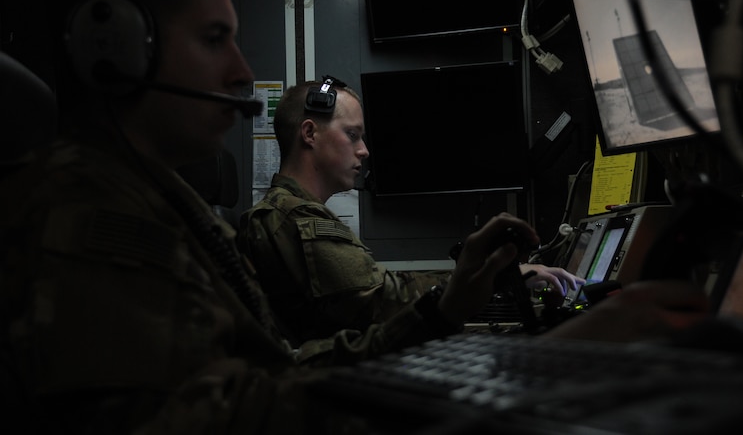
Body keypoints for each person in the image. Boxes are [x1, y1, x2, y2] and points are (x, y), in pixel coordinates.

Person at [0, 0, 716, 434]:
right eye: (214, 38)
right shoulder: (83, 213)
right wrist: (540, 365)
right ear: (119, 46)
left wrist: (452, 315)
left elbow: (280, 372)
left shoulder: (146, 198)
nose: (242, 71)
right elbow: (232, 421)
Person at [237, 78, 585, 345]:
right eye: (352, 135)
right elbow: (385, 300)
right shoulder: (294, 220)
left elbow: (376, 287)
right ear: (310, 134)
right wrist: (498, 276)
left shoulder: (288, 214)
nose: (364, 151)